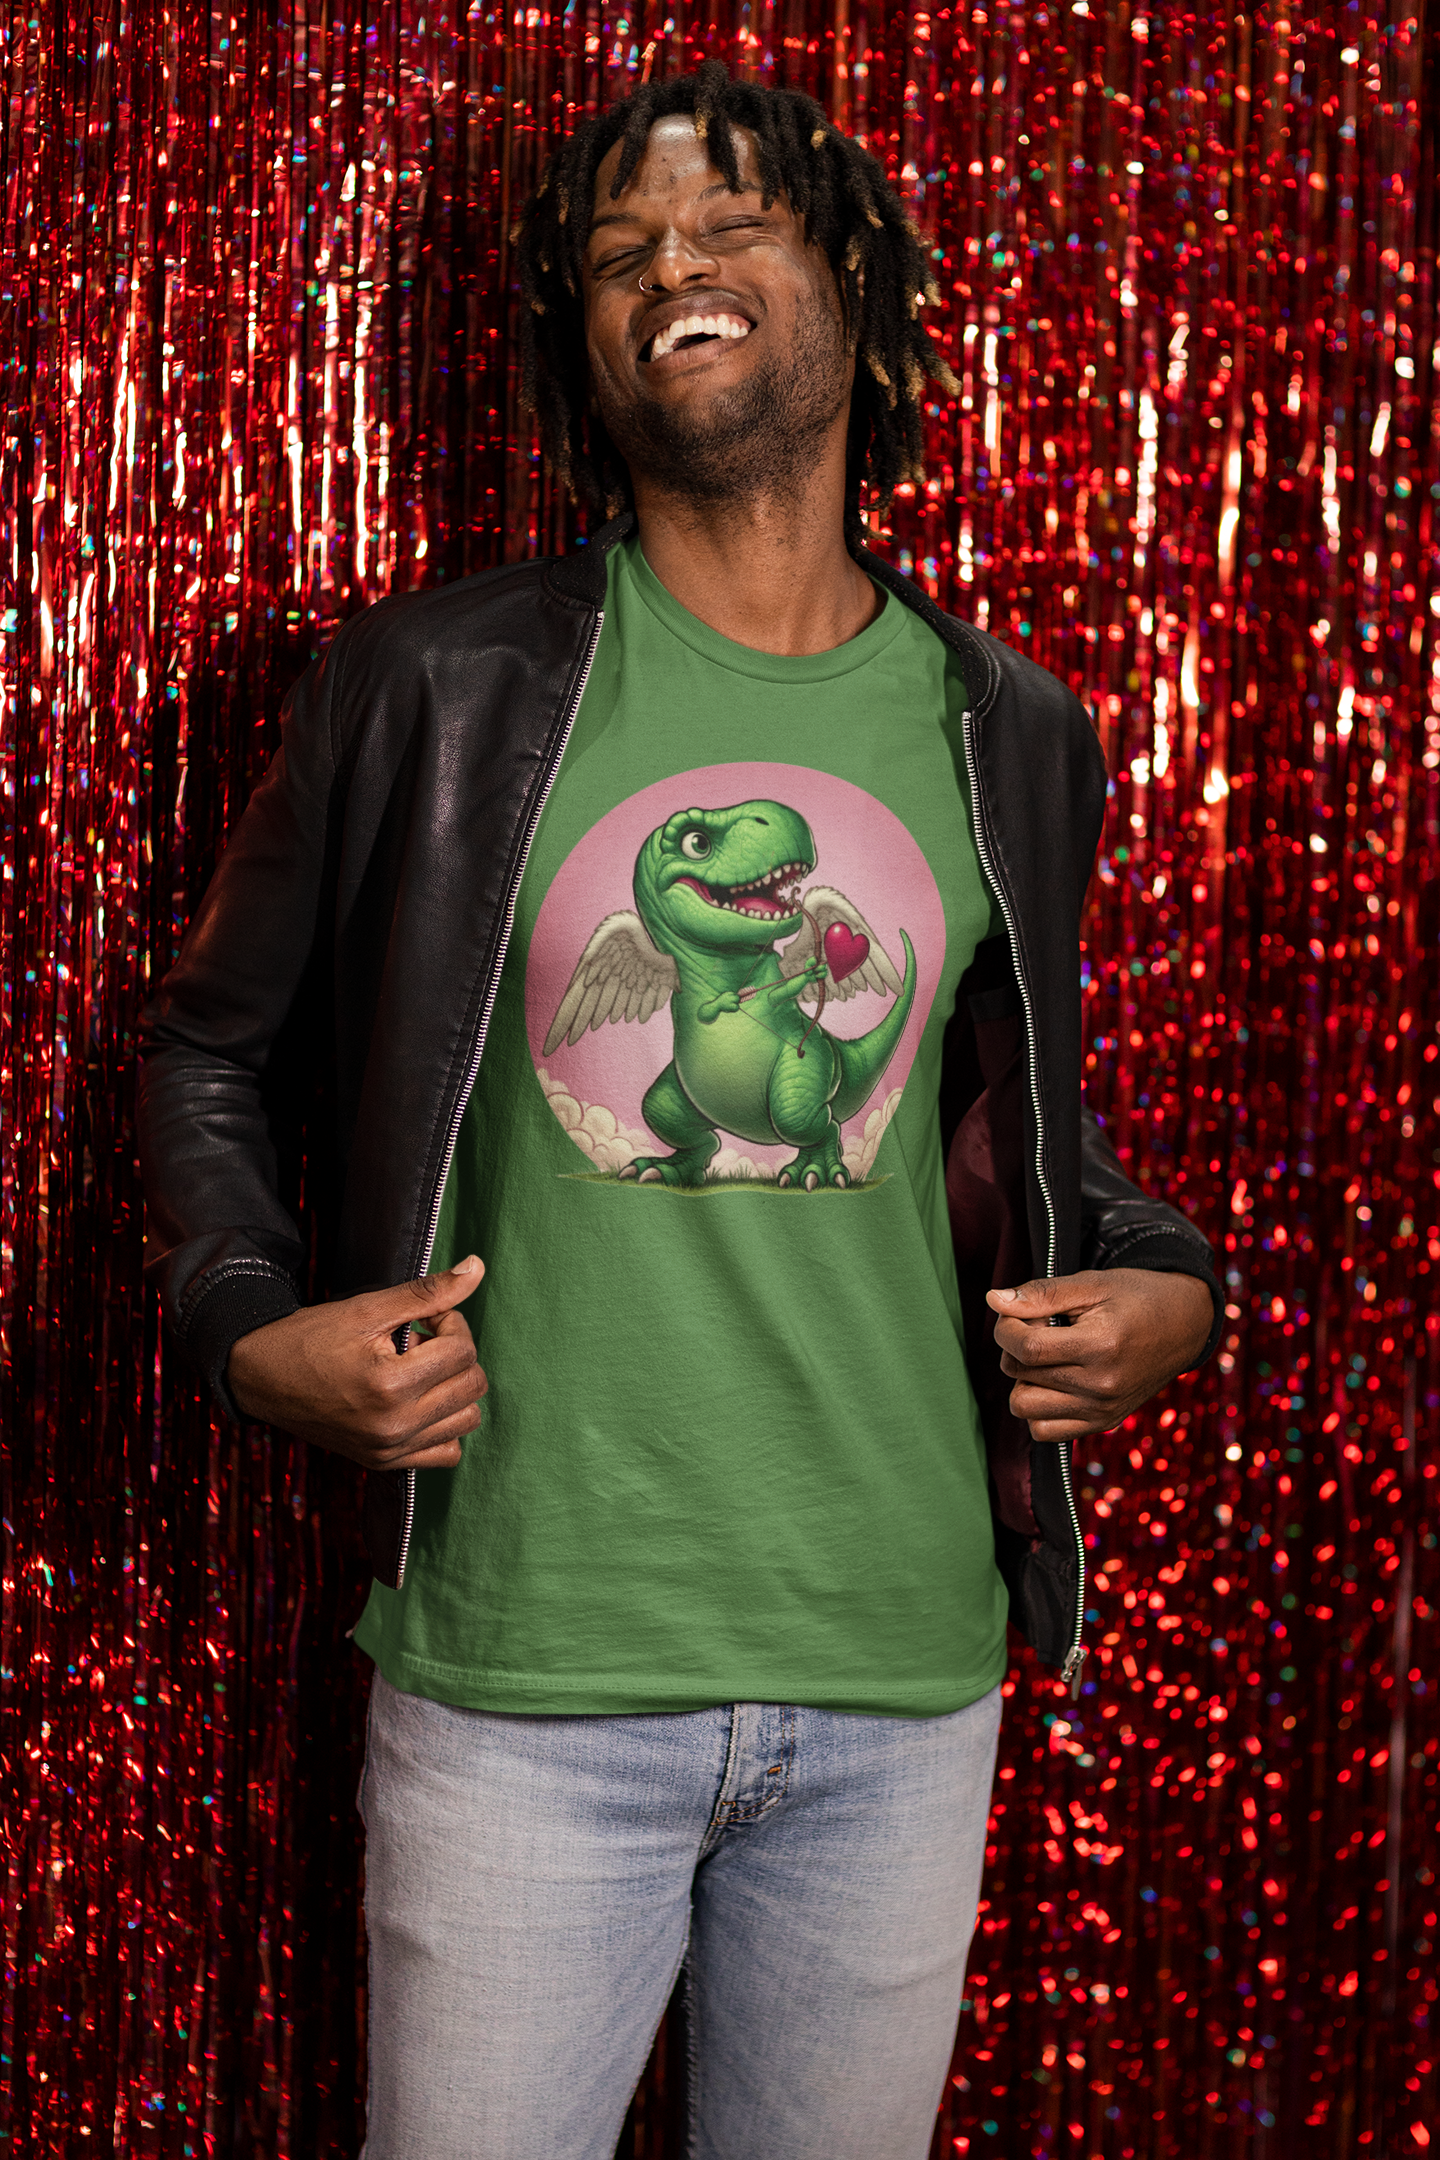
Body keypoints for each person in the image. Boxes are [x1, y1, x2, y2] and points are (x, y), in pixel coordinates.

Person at [138, 61, 1219, 2160]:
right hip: (527, 1670)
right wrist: (246, 1320)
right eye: (622, 250)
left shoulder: (1009, 727)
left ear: (852, 287)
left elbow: (1009, 1134)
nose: (671, 267)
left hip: (903, 1668)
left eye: (731, 223)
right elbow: (208, 1049)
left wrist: (1170, 1283)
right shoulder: (432, 686)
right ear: (583, 339)